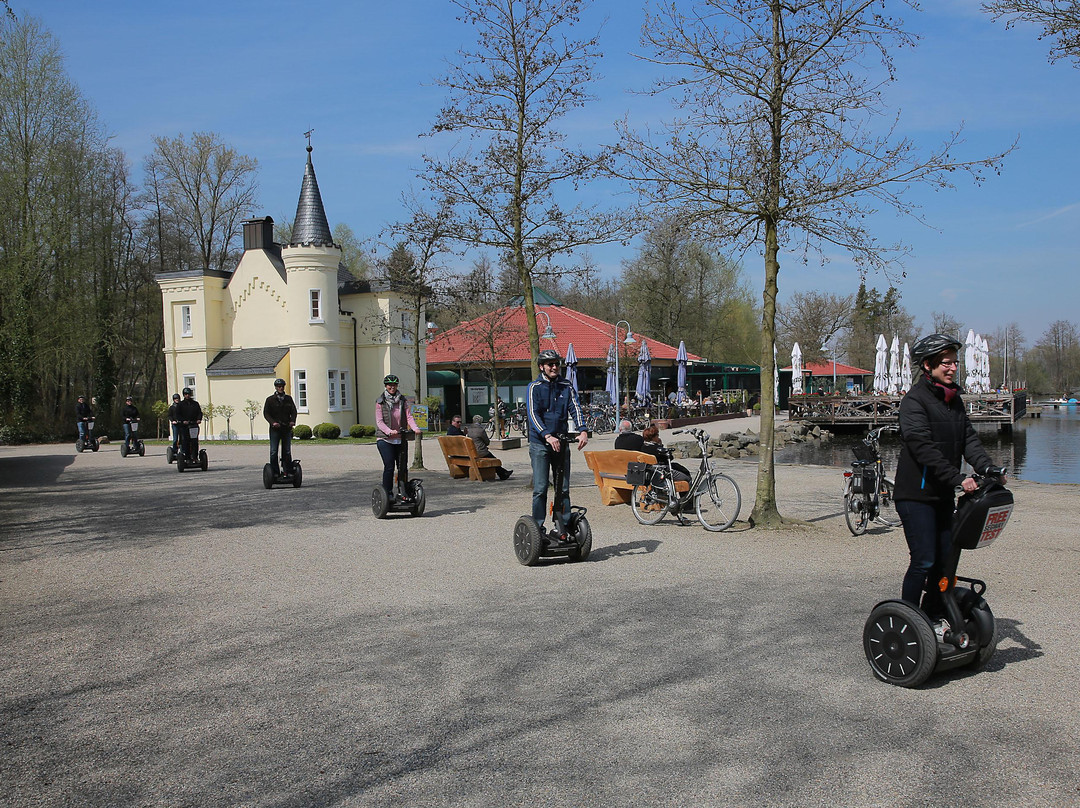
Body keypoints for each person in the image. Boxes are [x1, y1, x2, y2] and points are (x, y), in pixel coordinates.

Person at [894, 333, 1003, 621]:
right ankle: (909, 618)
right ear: (927, 365)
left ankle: (932, 613)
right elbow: (922, 447)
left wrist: (988, 468)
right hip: (915, 496)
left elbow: (968, 440)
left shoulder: (954, 400)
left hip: (942, 495)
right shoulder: (913, 401)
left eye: (955, 362)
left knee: (945, 561)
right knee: (924, 559)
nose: (953, 368)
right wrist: (958, 478)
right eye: (946, 363)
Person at [526, 349, 588, 532]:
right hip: (540, 443)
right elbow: (533, 414)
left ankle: (563, 526)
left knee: (564, 487)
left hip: (561, 442)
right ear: (541, 367)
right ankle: (538, 527)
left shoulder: (566, 385)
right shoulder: (534, 387)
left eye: (556, 364)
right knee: (540, 488)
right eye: (550, 364)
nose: (554, 367)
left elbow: (575, 408)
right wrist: (547, 435)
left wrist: (583, 430)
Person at [375, 374, 421, 501]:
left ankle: (403, 492)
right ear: (386, 386)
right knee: (389, 466)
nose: (392, 387)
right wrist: (389, 431)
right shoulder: (380, 402)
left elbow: (409, 416)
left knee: (402, 467)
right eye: (390, 385)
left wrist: (415, 428)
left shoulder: (402, 400)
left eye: (394, 385)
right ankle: (388, 493)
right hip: (385, 439)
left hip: (400, 438)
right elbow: (379, 421)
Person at [263, 378, 298, 477]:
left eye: (282, 386)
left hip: (286, 428)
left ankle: (287, 470)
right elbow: (266, 413)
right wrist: (273, 422)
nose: (281, 388)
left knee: (287, 451)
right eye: (279, 386)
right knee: (274, 451)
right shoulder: (270, 400)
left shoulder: (288, 399)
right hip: (275, 429)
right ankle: (275, 472)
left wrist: (292, 421)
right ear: (276, 387)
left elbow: (293, 411)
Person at [466, 415, 514, 480]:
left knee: (492, 458)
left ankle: (503, 473)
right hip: (481, 452)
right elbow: (487, 442)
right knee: (494, 460)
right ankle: (503, 474)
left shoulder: (469, 429)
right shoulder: (481, 430)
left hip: (471, 452)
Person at [175, 387, 204, 459]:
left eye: (188, 394)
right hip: (184, 426)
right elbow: (177, 415)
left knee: (194, 441)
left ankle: (195, 456)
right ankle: (187, 456)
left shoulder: (195, 404)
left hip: (194, 425)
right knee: (186, 441)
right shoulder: (180, 404)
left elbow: (199, 413)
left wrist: (199, 419)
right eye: (186, 394)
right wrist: (182, 421)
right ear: (184, 395)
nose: (187, 395)